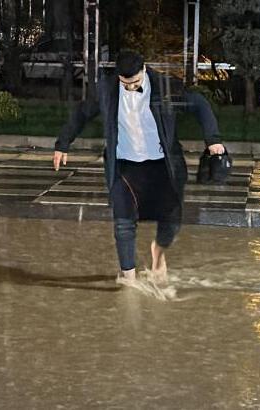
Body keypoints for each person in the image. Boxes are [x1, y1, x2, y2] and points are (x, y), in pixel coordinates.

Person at [53, 50, 225, 283]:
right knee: (123, 222)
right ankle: (128, 278)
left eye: (135, 82)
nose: (131, 88)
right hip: (125, 165)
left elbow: (200, 104)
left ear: (144, 70)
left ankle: (158, 251)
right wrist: (62, 144)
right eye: (125, 83)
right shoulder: (106, 90)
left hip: (163, 166)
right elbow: (81, 114)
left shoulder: (166, 87)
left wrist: (213, 140)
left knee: (171, 221)